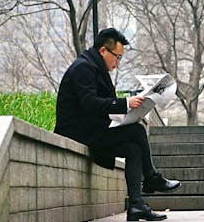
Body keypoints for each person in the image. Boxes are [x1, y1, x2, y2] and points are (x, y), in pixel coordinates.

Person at [54, 28, 180, 221]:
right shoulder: (83, 68)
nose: (117, 63)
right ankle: (152, 178)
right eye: (117, 57)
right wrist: (124, 104)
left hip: (92, 131)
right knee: (137, 131)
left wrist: (130, 111)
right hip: (78, 133)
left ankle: (136, 206)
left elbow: (100, 106)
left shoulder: (94, 68)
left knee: (132, 148)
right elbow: (89, 102)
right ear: (103, 51)